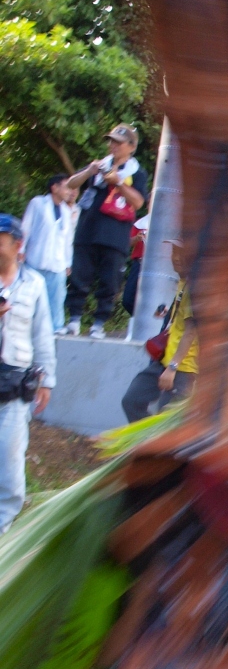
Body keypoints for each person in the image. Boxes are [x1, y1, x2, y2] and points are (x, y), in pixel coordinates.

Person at [64, 124, 147, 339]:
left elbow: (138, 202)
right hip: (88, 230)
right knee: (79, 277)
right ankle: (74, 320)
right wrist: (89, 172)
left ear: (131, 146)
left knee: (110, 282)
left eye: (118, 142)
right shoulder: (100, 165)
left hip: (116, 235)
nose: (113, 146)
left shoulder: (136, 172)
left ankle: (99, 324)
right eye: (111, 141)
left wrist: (118, 182)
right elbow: (71, 184)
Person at [0, 214, 55, 531]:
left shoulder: (33, 284)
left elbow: (42, 334)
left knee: (8, 457)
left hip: (15, 383)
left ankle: (3, 529)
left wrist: (46, 379)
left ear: (17, 245)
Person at [121, 239, 198, 421]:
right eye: (174, 253)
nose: (176, 258)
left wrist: (172, 368)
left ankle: (156, 447)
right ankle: (148, 444)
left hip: (182, 368)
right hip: (164, 359)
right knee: (131, 400)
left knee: (166, 421)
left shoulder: (196, 288)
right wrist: (167, 311)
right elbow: (181, 316)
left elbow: (191, 331)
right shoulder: (183, 281)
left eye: (181, 254)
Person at [20, 173, 76, 332]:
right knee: (30, 297)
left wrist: (68, 262)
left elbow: (67, 239)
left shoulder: (66, 210)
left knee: (57, 298)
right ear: (54, 187)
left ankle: (55, 327)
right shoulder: (37, 203)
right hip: (35, 259)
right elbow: (26, 227)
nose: (68, 191)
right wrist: (21, 249)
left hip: (57, 262)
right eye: (66, 187)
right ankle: (27, 327)